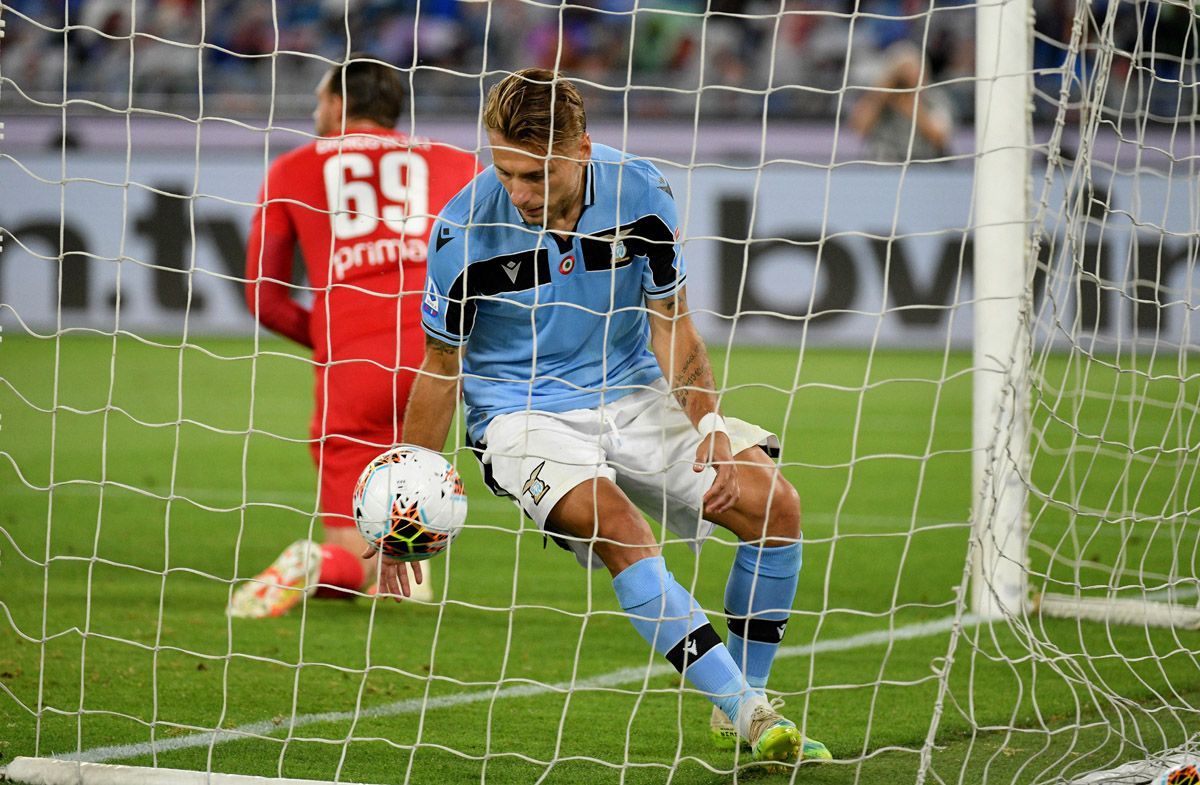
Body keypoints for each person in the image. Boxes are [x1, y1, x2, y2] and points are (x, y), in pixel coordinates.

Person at [371, 68, 832, 767]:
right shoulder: (462, 230)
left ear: (581, 150)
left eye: (536, 175)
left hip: (633, 390)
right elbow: (441, 367)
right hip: (521, 412)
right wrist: (408, 491)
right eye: (505, 171)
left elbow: (671, 321)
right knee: (622, 528)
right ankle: (752, 712)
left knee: (775, 507)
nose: (518, 192)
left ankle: (740, 697)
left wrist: (709, 424)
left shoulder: (641, 194)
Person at [232, 55, 479, 618]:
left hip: (353, 367)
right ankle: (410, 566)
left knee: (351, 552)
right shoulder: (458, 163)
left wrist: (331, 342)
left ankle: (318, 564)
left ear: (340, 104)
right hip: (440, 357)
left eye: (319, 101)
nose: (315, 112)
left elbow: (264, 297)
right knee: (416, 466)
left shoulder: (293, 168)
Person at [849, 41, 955, 162]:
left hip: (924, 164)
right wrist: (883, 92)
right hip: (883, 163)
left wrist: (910, 104)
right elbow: (859, 128)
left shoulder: (934, 97)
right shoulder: (879, 98)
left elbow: (941, 137)